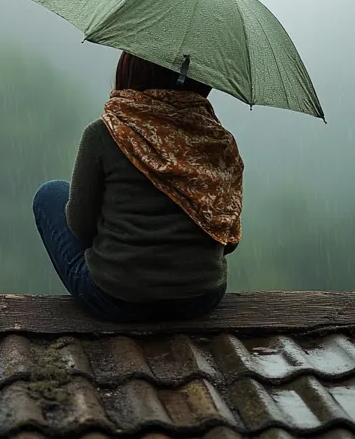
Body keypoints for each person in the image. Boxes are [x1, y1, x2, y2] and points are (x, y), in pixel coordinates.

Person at [32, 52, 243, 321]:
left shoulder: (105, 133)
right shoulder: (219, 143)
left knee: (50, 194)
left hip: (115, 299)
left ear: (131, 70)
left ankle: (117, 269)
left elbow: (80, 226)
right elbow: (227, 243)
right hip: (201, 299)